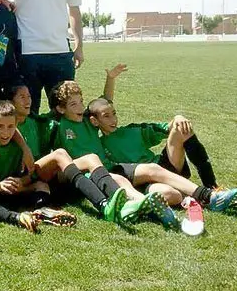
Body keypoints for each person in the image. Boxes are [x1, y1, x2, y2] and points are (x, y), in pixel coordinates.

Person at [86, 65, 237, 211]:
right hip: (146, 180)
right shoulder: (98, 144)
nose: (113, 120)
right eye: (106, 117)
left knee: (182, 127)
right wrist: (110, 79)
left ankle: (213, 188)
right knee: (170, 195)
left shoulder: (132, 130)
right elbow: (97, 107)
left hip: (164, 167)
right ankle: (186, 195)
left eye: (114, 114)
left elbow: (166, 127)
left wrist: (178, 117)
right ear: (95, 121)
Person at [49, 80, 180, 228]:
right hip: (88, 174)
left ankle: (203, 194)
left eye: (81, 102)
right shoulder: (55, 126)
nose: (80, 107)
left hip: (109, 167)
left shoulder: (87, 120)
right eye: (74, 104)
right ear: (60, 109)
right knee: (120, 180)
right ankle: (148, 204)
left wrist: (110, 78)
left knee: (152, 170)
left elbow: (104, 101)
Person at [0, 101, 78, 231]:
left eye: (10, 126)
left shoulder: (20, 145)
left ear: (16, 126)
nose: (5, 132)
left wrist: (20, 182)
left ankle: (42, 211)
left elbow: (31, 174)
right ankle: (13, 217)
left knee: (41, 185)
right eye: (0, 126)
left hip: (11, 189)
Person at [6, 0, 83, 112]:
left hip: (61, 55)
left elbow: (74, 11)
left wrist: (79, 46)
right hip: (27, 55)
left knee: (64, 112)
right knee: (27, 113)